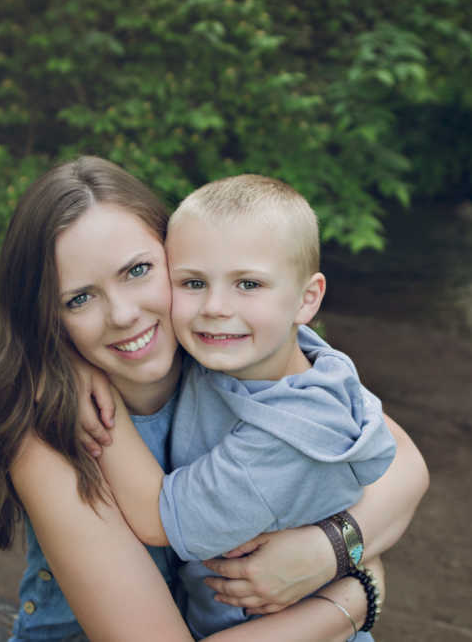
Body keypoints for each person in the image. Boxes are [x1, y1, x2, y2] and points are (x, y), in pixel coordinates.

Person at [0, 156, 429, 641]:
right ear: (48, 317)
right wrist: (354, 597)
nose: (122, 314)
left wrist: (328, 550)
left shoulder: (223, 356)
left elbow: (404, 465)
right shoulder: (56, 433)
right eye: (79, 298)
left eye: (138, 270)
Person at [96, 174, 396, 639]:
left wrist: (86, 388)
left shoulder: (291, 433)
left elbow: (159, 520)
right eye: (193, 282)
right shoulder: (264, 354)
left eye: (248, 284)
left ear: (306, 299)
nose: (215, 306)